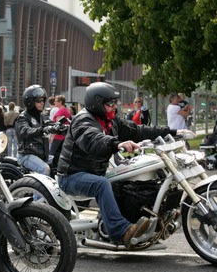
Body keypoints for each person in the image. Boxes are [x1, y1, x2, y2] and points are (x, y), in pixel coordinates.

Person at [57, 82, 191, 248]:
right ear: (96, 102)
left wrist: (172, 132)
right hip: (72, 176)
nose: (115, 106)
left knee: (129, 180)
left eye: (115, 102)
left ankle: (148, 219)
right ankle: (121, 232)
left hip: (95, 172)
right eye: (110, 103)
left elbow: (138, 130)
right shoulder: (83, 120)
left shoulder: (111, 121)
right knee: (101, 184)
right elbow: (93, 140)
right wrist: (116, 144)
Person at [15, 85, 62, 176]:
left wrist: (63, 128)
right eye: (38, 101)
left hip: (42, 155)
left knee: (63, 163)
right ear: (30, 102)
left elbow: (52, 125)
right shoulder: (22, 118)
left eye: (43, 100)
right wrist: (43, 130)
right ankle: (38, 190)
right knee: (45, 169)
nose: (42, 103)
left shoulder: (42, 117)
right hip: (27, 155)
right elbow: (25, 131)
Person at [48, 95, 70, 168]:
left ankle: (51, 168)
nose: (54, 102)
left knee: (52, 153)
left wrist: (52, 137)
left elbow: (57, 126)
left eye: (56, 101)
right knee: (58, 153)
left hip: (58, 136)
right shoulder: (66, 110)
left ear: (60, 102)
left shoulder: (61, 111)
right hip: (63, 136)